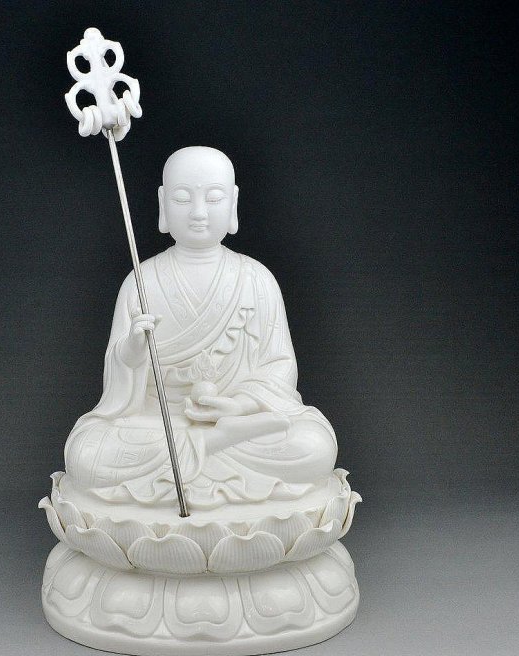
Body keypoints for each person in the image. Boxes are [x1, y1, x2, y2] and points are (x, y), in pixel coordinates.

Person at [64, 147, 338, 509]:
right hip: (162, 423)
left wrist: (238, 405)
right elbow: (118, 392)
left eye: (213, 198)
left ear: (233, 203)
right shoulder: (141, 282)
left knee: (315, 444)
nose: (197, 212)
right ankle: (210, 444)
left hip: (237, 419)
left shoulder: (257, 280)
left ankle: (204, 448)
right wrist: (131, 350)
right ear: (162, 204)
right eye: (182, 198)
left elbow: (279, 367)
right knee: (86, 452)